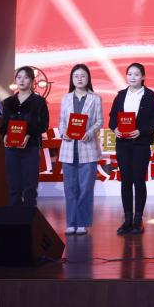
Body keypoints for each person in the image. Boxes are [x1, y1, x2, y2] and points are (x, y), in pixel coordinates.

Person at [108, 62, 154, 235]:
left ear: (143, 77)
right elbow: (112, 117)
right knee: (125, 181)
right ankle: (127, 219)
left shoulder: (149, 95)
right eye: (130, 74)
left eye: (136, 74)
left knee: (138, 180)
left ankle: (138, 219)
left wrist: (141, 131)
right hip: (123, 143)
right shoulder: (121, 95)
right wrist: (115, 128)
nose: (132, 77)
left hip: (141, 143)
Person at [57, 64, 103, 235]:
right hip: (69, 148)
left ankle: (82, 222)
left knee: (85, 189)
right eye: (76, 76)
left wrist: (89, 133)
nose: (79, 79)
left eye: (83, 76)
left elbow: (99, 121)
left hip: (88, 148)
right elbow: (62, 121)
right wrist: (63, 132)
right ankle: (71, 222)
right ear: (72, 79)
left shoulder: (95, 98)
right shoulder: (66, 98)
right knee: (70, 189)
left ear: (88, 78)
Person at [0, 66, 49, 207]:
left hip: (31, 148)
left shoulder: (39, 102)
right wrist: (4, 135)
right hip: (11, 149)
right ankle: (14, 216)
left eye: (26, 77)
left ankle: (29, 215)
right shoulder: (8, 102)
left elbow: (44, 125)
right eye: (19, 77)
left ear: (32, 81)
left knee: (30, 186)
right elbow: (4, 124)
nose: (22, 80)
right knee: (13, 185)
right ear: (15, 80)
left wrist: (29, 134)